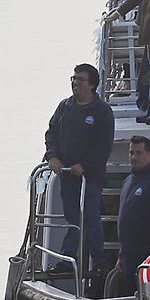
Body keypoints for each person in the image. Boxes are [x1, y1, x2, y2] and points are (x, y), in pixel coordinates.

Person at [44, 63, 115, 281]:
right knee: (72, 217)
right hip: (66, 174)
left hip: (89, 176)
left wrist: (85, 165)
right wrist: (53, 156)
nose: (75, 83)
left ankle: (100, 262)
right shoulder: (65, 107)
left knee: (91, 218)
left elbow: (104, 146)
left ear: (91, 84)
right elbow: (51, 132)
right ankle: (67, 259)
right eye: (73, 79)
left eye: (80, 80)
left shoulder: (102, 112)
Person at [108, 136, 150, 298]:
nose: (134, 157)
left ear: (149, 155)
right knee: (130, 297)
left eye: (139, 153)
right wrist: (122, 254)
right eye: (131, 153)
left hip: (147, 257)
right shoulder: (128, 181)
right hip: (129, 255)